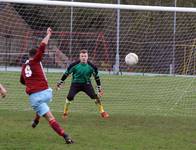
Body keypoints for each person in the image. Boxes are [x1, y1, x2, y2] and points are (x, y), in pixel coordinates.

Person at [20, 27, 74, 144]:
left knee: (50, 118)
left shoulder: (24, 66)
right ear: (36, 55)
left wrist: (30, 82)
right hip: (46, 93)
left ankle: (65, 136)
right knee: (43, 105)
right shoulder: (36, 60)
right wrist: (48, 34)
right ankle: (36, 120)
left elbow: (22, 81)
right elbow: (43, 45)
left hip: (34, 98)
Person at [57, 49, 109, 120]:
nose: (84, 58)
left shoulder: (92, 67)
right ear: (79, 57)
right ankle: (65, 112)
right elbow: (66, 74)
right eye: (82, 56)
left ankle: (102, 112)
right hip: (75, 84)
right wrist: (61, 81)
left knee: (95, 97)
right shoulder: (74, 65)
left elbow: (96, 77)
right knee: (70, 97)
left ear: (87, 57)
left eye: (85, 56)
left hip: (86, 84)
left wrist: (99, 88)